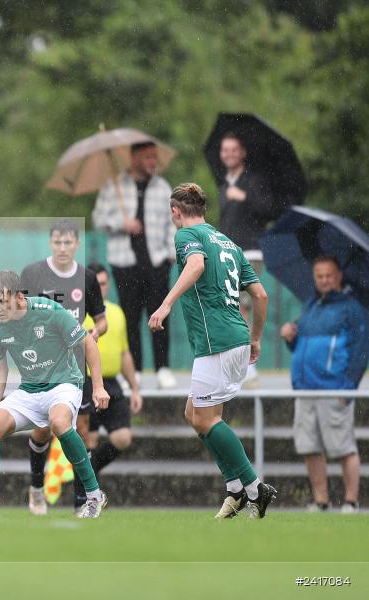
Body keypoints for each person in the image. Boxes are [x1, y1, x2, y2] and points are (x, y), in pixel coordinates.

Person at [148, 182, 277, 519]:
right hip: (234, 337)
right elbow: (261, 296)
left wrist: (165, 305)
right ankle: (234, 489)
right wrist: (257, 338)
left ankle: (254, 488)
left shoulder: (185, 236)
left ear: (176, 211)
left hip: (216, 341)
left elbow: (195, 266)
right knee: (194, 414)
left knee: (205, 417)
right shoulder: (229, 243)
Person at [0, 270, 111, 518]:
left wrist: (98, 387)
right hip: (29, 390)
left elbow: (88, 343)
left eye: (2, 301)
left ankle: (94, 495)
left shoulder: (49, 311)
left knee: (59, 422)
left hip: (64, 384)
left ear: (20, 298)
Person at [19, 219, 107, 515]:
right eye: (57, 242)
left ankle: (83, 501)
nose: (63, 248)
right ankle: (36, 487)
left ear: (77, 244)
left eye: (68, 242)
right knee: (43, 429)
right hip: (42, 364)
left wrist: (95, 333)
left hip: (74, 366)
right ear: (50, 242)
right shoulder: (32, 274)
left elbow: (101, 318)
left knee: (79, 429)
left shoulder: (88, 278)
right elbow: (20, 315)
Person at [280, 256, 368, 513]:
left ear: (339, 275)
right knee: (310, 448)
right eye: (319, 275)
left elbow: (361, 351)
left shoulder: (352, 309)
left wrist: (348, 388)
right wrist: (289, 336)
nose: (324, 280)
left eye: (329, 275)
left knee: (344, 448)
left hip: (334, 390)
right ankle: (321, 501)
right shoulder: (310, 305)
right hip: (305, 389)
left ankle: (351, 501)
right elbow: (302, 345)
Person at [92, 141, 177, 390]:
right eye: (148, 157)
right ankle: (135, 370)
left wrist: (171, 253)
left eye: (155, 157)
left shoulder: (162, 187)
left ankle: (163, 368)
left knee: (161, 314)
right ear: (135, 158)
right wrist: (122, 223)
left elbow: (173, 220)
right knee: (130, 316)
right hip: (124, 262)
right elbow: (98, 219)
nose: (153, 162)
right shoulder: (114, 186)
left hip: (156, 261)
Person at [218, 132, 276, 384]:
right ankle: (241, 360)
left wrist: (244, 197)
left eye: (234, 149)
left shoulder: (254, 181)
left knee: (242, 303)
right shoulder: (223, 185)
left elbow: (269, 210)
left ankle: (248, 363)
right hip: (228, 251)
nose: (229, 154)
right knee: (233, 304)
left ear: (242, 153)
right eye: (225, 150)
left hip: (250, 250)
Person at [82, 263, 143, 484]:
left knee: (123, 438)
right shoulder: (78, 313)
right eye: (96, 284)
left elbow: (124, 353)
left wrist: (135, 388)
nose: (100, 288)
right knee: (88, 438)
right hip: (86, 382)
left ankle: (89, 472)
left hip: (112, 383)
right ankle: (87, 494)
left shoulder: (116, 313)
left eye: (104, 283)